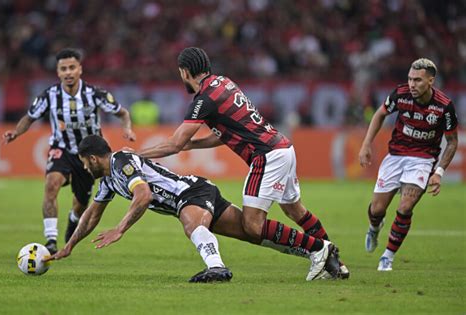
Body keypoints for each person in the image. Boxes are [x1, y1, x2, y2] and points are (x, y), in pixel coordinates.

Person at [136, 47, 348, 279]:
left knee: (252, 225)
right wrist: (194, 145)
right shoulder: (224, 83)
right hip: (283, 148)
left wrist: (138, 155)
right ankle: (336, 263)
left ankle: (319, 250)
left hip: (266, 156)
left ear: (184, 72)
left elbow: (175, 144)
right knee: (296, 210)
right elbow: (224, 134)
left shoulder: (204, 100)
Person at [45, 135, 341, 282]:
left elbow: (144, 195)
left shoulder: (121, 161)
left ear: (93, 158)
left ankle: (216, 268)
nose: (84, 168)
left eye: (84, 163)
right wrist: (70, 245)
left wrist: (120, 229)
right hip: (195, 192)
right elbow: (92, 214)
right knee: (252, 232)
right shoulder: (109, 181)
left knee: (192, 225)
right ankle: (319, 249)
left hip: (191, 192)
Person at [2, 48, 136, 254]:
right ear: (58, 72)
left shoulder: (95, 94)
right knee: (51, 184)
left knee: (81, 205)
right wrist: (15, 133)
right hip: (61, 149)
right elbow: (29, 117)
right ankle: (51, 240)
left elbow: (123, 113)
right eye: (63, 69)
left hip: (89, 157)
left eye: (72, 67)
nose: (68, 72)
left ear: (80, 69)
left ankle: (73, 220)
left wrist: (127, 129)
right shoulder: (50, 95)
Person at [359, 58, 458, 271]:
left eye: (418, 80)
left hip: (423, 159)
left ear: (431, 81)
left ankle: (387, 256)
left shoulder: (444, 106)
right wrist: (366, 144)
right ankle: (375, 227)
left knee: (405, 207)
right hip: (395, 156)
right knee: (377, 209)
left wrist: (439, 172)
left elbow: (452, 142)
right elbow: (380, 114)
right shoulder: (400, 94)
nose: (412, 84)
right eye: (410, 79)